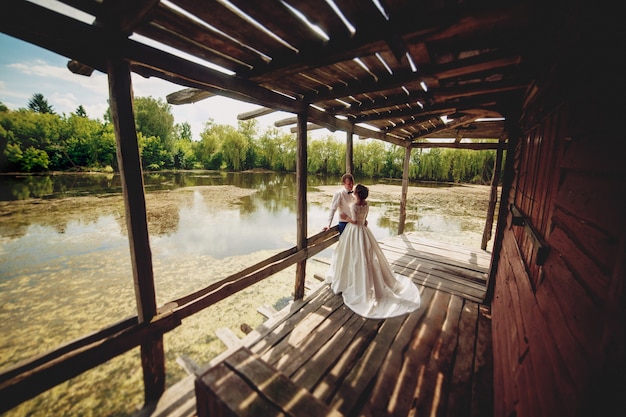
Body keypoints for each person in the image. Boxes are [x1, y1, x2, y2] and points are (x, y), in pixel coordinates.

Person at [325, 184, 421, 319]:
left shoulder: (353, 206)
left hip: (354, 231)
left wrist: (346, 218)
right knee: (367, 255)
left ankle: (354, 279)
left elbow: (354, 221)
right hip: (364, 232)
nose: (352, 192)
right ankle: (366, 277)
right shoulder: (367, 204)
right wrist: (359, 220)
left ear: (357, 194)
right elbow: (364, 221)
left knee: (354, 255)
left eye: (354, 191)